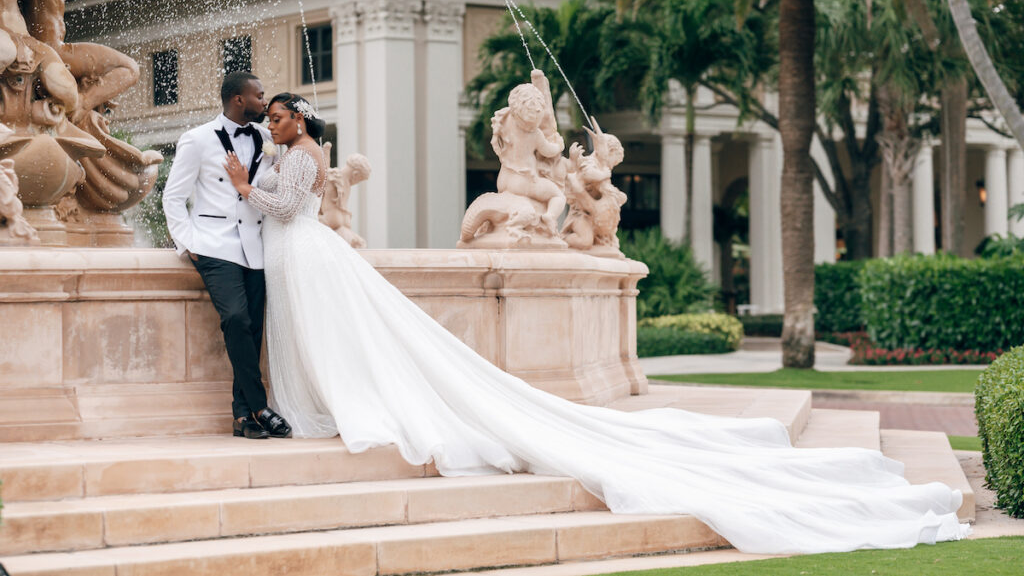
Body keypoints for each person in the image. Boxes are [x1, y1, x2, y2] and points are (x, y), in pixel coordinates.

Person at [223, 93, 968, 554]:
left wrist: (242, 185)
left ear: (300, 118)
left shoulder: (302, 154)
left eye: (282, 112)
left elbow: (287, 207)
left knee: (327, 332)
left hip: (303, 249)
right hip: (297, 256)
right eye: (272, 113)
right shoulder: (295, 149)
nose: (276, 119)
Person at [163, 72, 291, 440]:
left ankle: (243, 417)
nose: (265, 103)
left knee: (252, 330)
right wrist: (188, 244)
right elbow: (173, 197)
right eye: (259, 96)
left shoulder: (268, 139)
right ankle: (260, 406)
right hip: (213, 245)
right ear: (239, 99)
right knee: (235, 318)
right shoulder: (197, 139)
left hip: (256, 246)